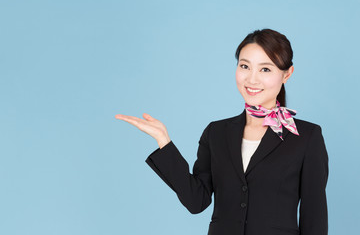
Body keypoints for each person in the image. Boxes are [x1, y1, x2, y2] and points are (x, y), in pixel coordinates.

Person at [115, 28, 329, 235]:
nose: (252, 79)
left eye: (265, 69)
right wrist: (164, 141)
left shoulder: (307, 137)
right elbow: (196, 201)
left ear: (286, 74)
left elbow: (314, 219)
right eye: (245, 66)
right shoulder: (216, 132)